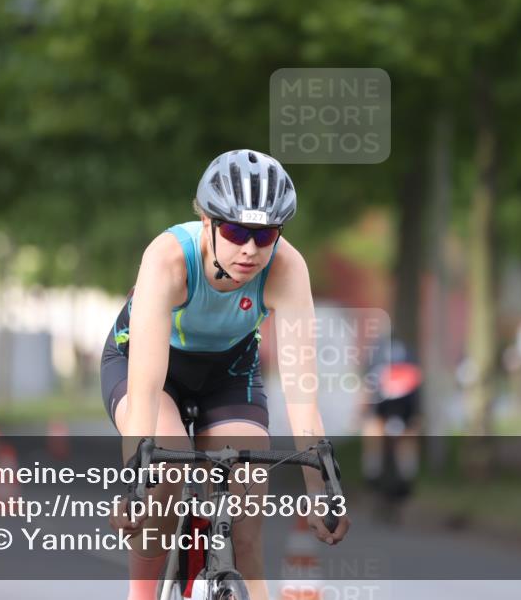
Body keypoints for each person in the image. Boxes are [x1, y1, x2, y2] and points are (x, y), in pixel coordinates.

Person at [101, 149, 350, 600]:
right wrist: (132, 487)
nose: (250, 249)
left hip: (229, 373)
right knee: (165, 472)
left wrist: (320, 489)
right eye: (236, 232)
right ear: (207, 222)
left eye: (265, 234)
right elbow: (144, 392)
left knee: (246, 527)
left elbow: (302, 395)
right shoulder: (168, 260)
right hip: (150, 369)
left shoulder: (287, 268)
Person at [358, 338, 423, 522]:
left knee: (374, 429)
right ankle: (399, 473)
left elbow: (365, 397)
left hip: (395, 405)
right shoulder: (407, 361)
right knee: (403, 434)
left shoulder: (377, 362)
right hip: (392, 405)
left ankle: (374, 471)